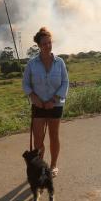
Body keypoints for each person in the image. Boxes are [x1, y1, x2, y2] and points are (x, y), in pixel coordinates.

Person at [22, 27, 69, 177]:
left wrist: (54, 99)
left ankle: (53, 165)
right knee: (38, 140)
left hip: (55, 105)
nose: (48, 46)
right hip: (38, 106)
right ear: (39, 45)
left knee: (54, 136)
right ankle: (41, 167)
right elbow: (25, 84)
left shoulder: (59, 62)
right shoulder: (32, 64)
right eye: (44, 44)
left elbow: (65, 82)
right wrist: (34, 98)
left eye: (49, 43)